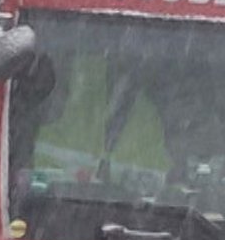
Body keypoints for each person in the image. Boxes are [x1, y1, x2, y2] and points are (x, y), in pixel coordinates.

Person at [28, 54, 171, 193]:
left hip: (116, 213)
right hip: (46, 207)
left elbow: (153, 187)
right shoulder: (75, 83)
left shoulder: (145, 116)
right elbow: (37, 179)